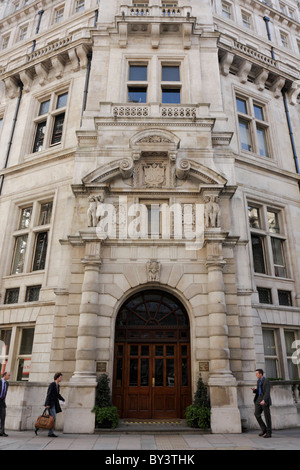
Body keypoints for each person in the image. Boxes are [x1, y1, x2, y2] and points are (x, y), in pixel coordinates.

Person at [252, 369, 272, 438]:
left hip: (264, 400)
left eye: (257, 373)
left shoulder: (266, 381)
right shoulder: (258, 381)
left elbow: (267, 392)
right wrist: (255, 390)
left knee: (267, 417)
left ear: (260, 374)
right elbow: (259, 391)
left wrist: (264, 400)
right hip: (258, 399)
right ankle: (264, 429)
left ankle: (269, 432)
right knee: (256, 414)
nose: (256, 375)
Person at [44, 372, 65, 437]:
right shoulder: (52, 385)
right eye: (60, 377)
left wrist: (62, 399)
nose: (61, 378)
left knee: (52, 418)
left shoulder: (58, 385)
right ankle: (50, 433)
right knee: (53, 418)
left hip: (54, 403)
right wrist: (47, 404)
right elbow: (49, 394)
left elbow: (57, 394)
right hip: (50, 403)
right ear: (57, 377)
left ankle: (50, 432)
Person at [0, 371, 10, 437]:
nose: (9, 376)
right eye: (8, 375)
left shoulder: (7, 383)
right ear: (5, 375)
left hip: (2, 402)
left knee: (3, 417)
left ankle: (2, 432)